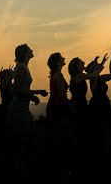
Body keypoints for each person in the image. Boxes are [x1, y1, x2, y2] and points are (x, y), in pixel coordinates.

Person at [5, 44, 48, 176]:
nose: (32, 50)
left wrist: (38, 92)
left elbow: (22, 88)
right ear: (24, 53)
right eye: (29, 49)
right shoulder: (21, 68)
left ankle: (21, 168)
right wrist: (33, 96)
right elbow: (16, 90)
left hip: (22, 107)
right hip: (18, 108)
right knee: (22, 140)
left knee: (25, 139)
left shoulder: (24, 67)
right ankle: (19, 170)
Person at [45, 52, 73, 173]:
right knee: (61, 135)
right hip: (58, 106)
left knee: (56, 135)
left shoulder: (55, 75)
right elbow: (62, 95)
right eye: (62, 58)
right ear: (58, 62)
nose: (64, 58)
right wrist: (71, 105)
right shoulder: (59, 75)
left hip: (54, 105)